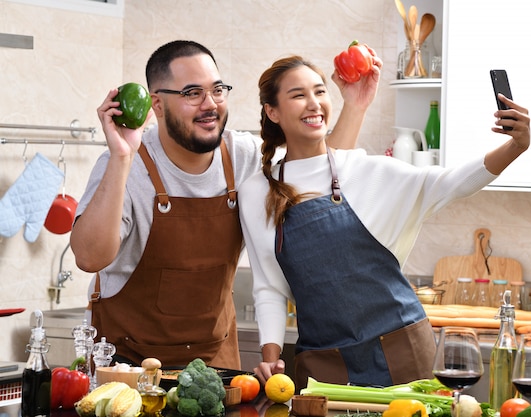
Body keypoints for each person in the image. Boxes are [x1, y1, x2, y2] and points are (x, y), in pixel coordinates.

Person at [70, 40, 381, 368]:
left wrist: (355, 106)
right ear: (157, 105)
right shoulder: (123, 164)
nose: (210, 104)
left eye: (217, 90)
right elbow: (89, 257)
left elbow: (316, 174)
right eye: (192, 93)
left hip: (215, 366)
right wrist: (121, 157)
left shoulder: (244, 156)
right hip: (126, 367)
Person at [238, 56, 531, 391]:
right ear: (272, 111)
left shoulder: (367, 170)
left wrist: (515, 147)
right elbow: (268, 288)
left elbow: (453, 182)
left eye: (320, 91)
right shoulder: (256, 192)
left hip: (403, 348)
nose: (314, 103)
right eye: (298, 95)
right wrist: (271, 355)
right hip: (323, 361)